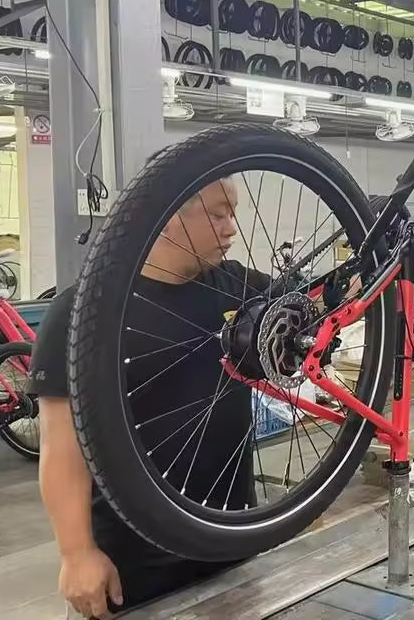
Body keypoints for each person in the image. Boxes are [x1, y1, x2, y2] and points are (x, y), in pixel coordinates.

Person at [35, 178, 269, 619]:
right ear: (167, 213)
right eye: (218, 213)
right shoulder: (85, 311)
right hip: (132, 570)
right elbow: (61, 449)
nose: (231, 227)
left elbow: (326, 304)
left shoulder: (240, 288)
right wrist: (76, 553)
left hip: (233, 550)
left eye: (233, 213)